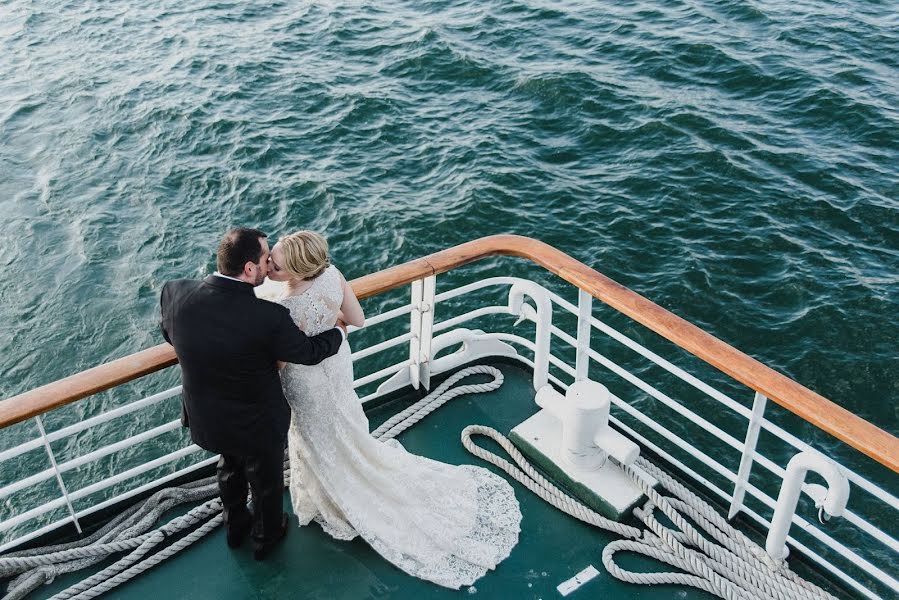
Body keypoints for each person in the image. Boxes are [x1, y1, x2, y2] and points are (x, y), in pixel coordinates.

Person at [268, 231, 521, 589]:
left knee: (313, 434)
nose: (268, 269)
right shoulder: (331, 275)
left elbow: (277, 363)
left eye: (275, 265)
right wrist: (331, 323)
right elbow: (357, 319)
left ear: (295, 268)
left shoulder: (282, 309)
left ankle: (330, 498)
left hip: (305, 379)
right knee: (344, 423)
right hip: (337, 366)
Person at [159, 227, 346, 560]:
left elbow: (169, 333)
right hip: (257, 420)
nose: (270, 261)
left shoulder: (176, 293)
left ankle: (235, 528)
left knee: (228, 468)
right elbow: (308, 352)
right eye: (265, 257)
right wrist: (337, 333)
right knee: (266, 481)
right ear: (249, 269)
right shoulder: (269, 317)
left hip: (209, 417)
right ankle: (266, 537)